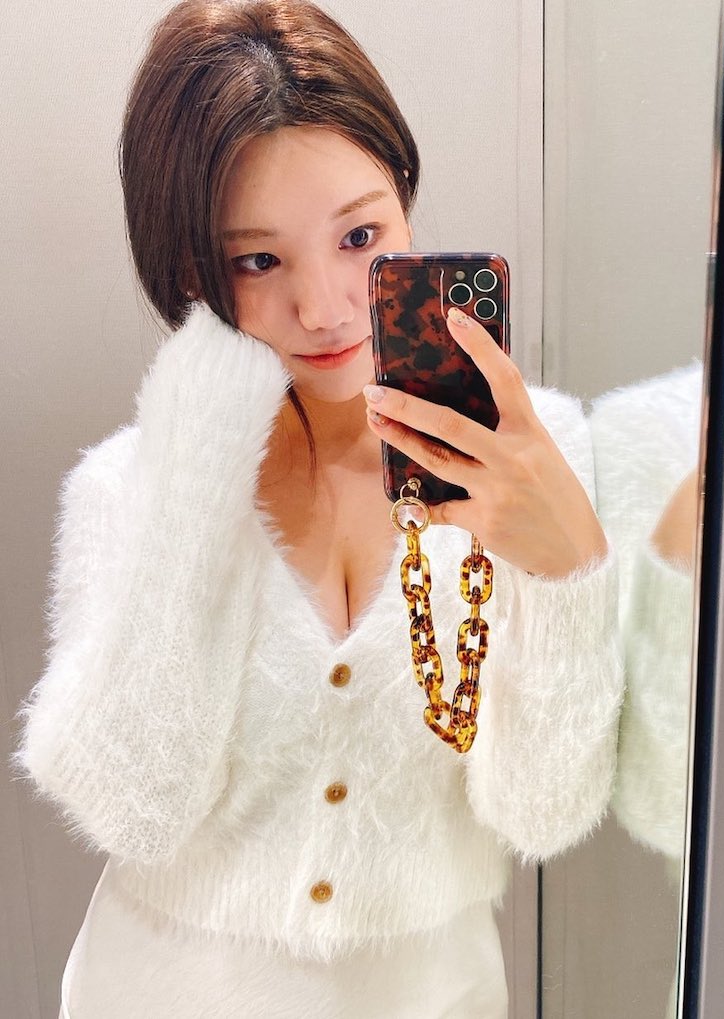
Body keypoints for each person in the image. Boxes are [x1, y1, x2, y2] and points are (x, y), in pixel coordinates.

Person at [15, 2, 623, 1016]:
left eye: (358, 235)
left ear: (405, 203)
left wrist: (567, 572)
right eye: (258, 260)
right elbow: (134, 808)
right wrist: (192, 471)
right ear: (191, 269)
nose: (326, 306)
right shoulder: (137, 483)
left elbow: (543, 812)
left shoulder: (528, 458)